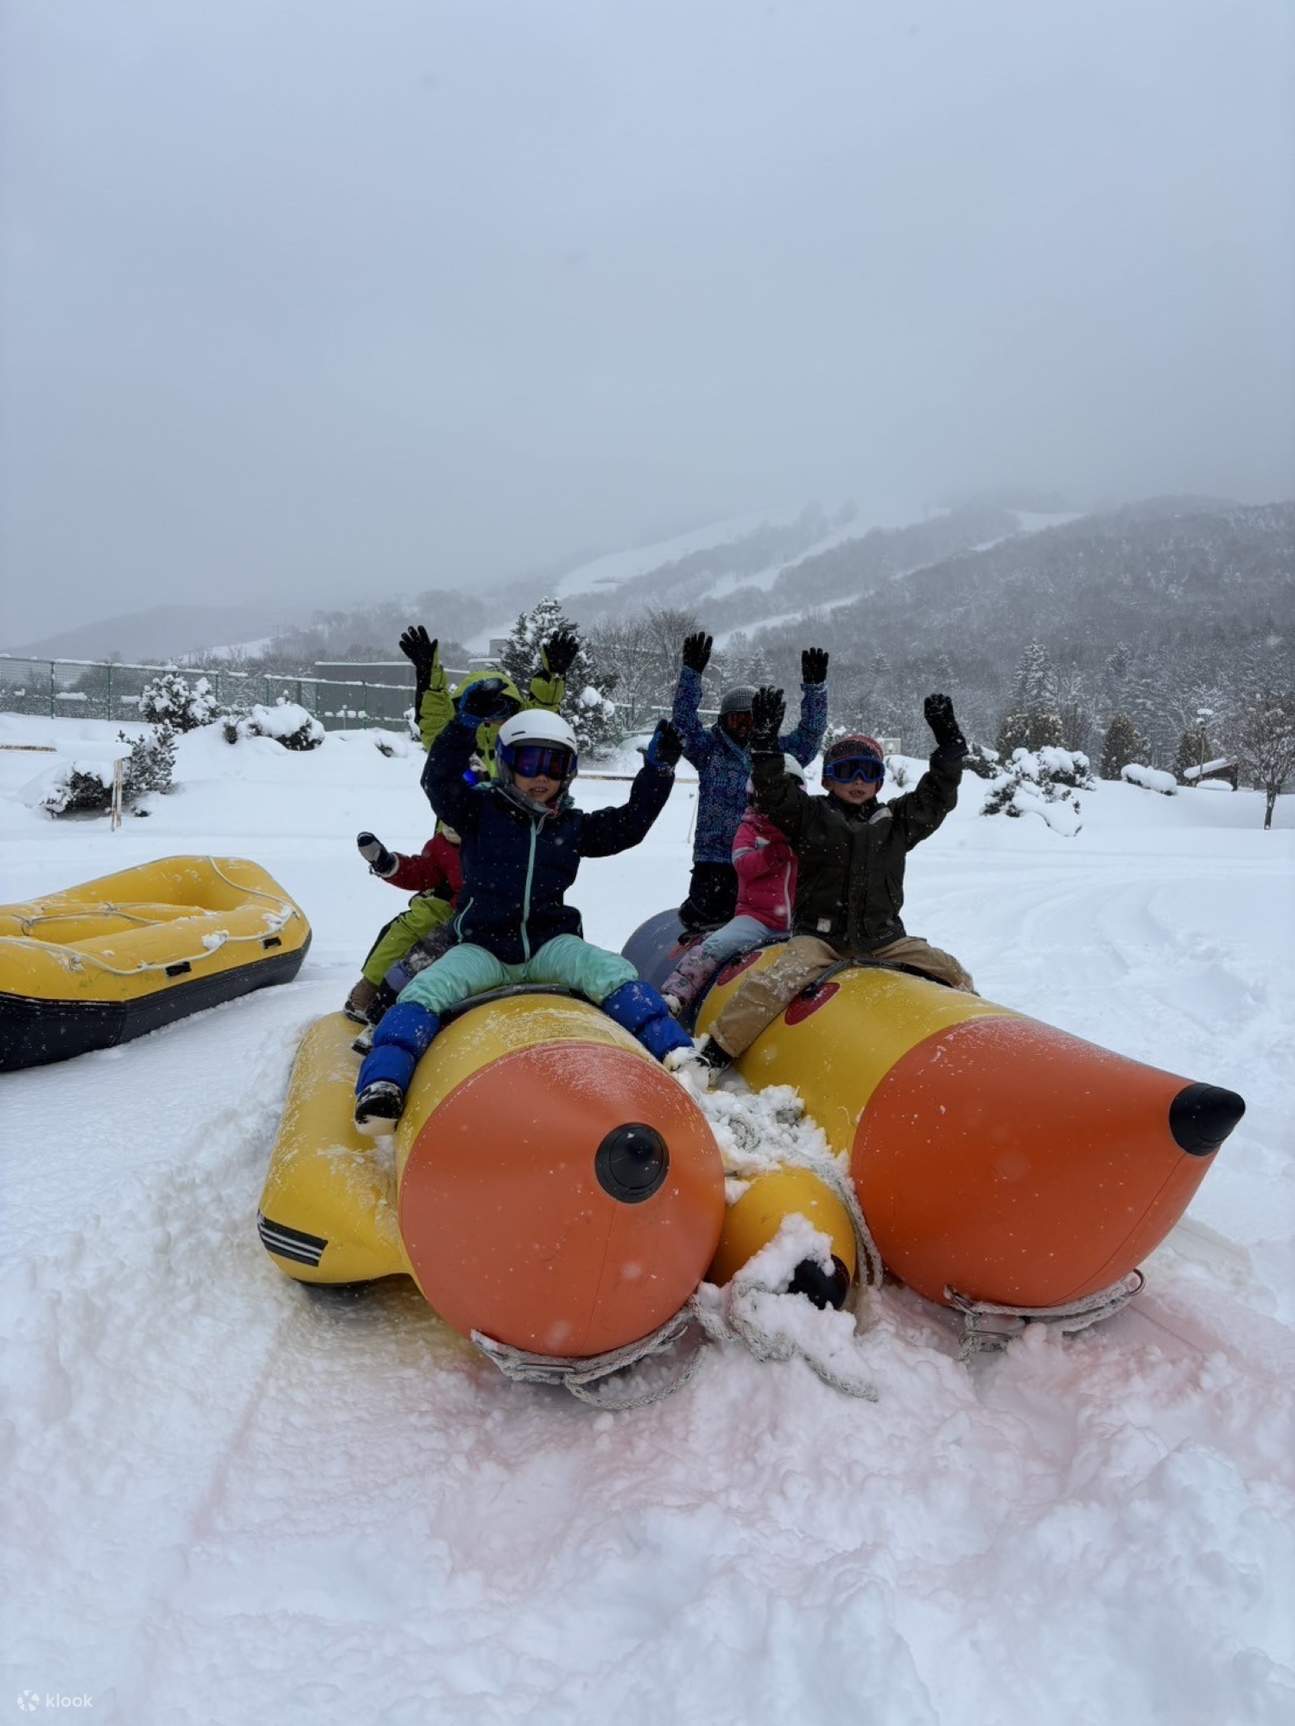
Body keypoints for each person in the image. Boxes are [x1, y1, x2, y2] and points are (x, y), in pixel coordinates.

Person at [354, 690, 701, 1132]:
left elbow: (629, 824)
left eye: (554, 766)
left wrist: (658, 771)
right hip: (483, 947)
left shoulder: (569, 826)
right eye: (529, 763)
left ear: (569, 773)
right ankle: (384, 1083)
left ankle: (676, 1051)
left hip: (548, 944)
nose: (541, 778)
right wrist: (463, 726)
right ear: (505, 764)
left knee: (610, 971)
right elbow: (438, 782)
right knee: (426, 990)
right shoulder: (479, 811)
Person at [693, 688, 975, 1073]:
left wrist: (949, 747)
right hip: (820, 938)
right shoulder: (811, 818)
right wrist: (764, 745)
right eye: (846, 772)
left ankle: (977, 1041)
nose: (857, 782)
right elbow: (775, 793)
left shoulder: (895, 823)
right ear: (827, 780)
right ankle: (715, 1054)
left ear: (879, 782)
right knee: (772, 984)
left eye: (868, 773)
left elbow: (937, 796)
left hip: (884, 938)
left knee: (952, 971)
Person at [671, 631, 828, 930]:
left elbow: (810, 736)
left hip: (767, 861)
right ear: (723, 721)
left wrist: (815, 691)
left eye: (751, 719)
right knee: (706, 930)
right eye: (736, 720)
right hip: (715, 862)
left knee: (765, 933)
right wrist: (691, 675)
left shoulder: (777, 754)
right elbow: (684, 723)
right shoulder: (709, 751)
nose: (744, 728)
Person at [660, 755, 805, 1017]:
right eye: (768, 795)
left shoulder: (807, 832)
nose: (776, 804)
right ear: (754, 796)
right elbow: (743, 865)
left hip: (798, 921)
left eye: (784, 795)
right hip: (757, 918)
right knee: (715, 947)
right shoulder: (751, 828)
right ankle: (676, 994)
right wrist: (773, 853)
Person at [398, 623, 579, 769]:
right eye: (478, 709)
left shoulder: (522, 748)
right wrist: (427, 674)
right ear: (460, 711)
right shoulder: (450, 748)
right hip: (460, 812)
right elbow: (434, 718)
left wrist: (553, 676)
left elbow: (541, 719)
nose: (489, 719)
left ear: (516, 712)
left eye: (499, 708)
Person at [342, 825, 464, 1026]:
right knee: (414, 927)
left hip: (494, 911)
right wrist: (388, 864)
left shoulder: (513, 828)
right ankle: (373, 989)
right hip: (450, 904)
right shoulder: (444, 843)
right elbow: (424, 871)